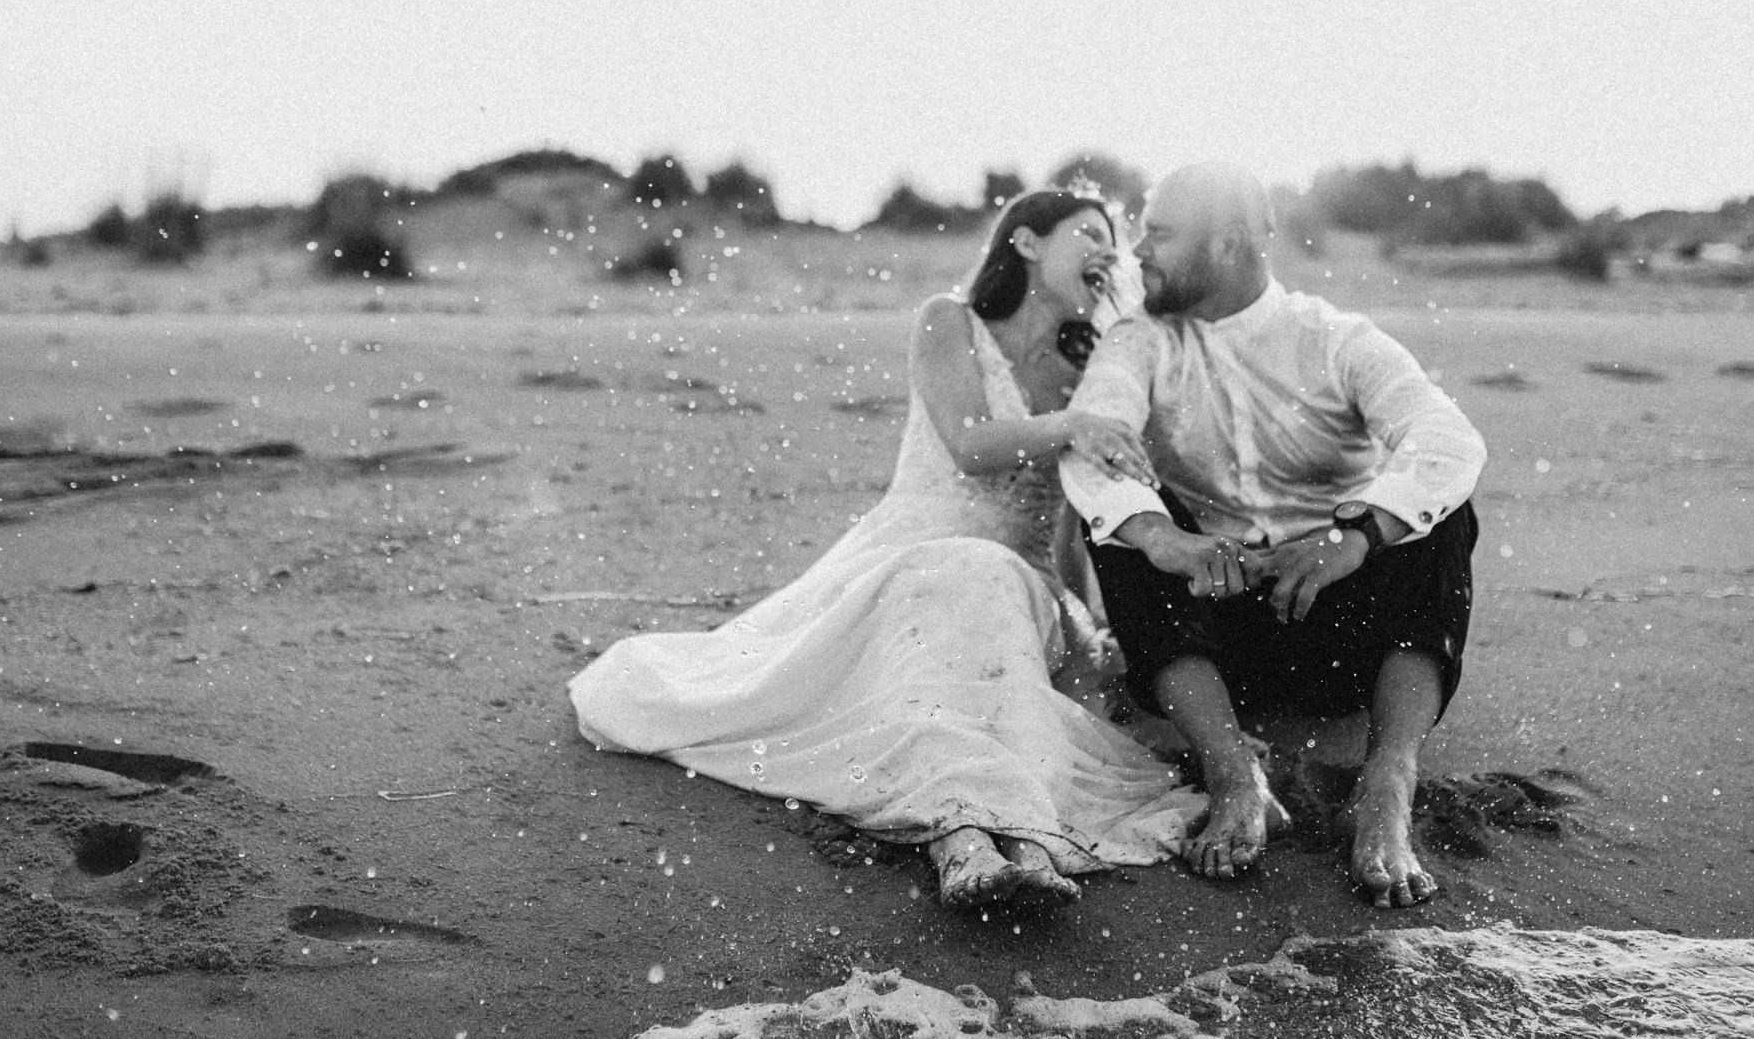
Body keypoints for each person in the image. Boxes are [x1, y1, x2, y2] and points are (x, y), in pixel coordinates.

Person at [570, 191, 1205, 909]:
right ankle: (965, 844)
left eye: (1112, 239)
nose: (1108, 250)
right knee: (930, 664)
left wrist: (1091, 615)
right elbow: (968, 443)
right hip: (909, 553)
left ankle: (1018, 842)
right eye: (1089, 232)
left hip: (1019, 579)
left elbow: (1065, 518)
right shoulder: (950, 322)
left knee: (992, 650)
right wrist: (1072, 424)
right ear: (1027, 243)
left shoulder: (1082, 375)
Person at [1059, 163, 1486, 908]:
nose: (1137, 252)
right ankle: (1235, 775)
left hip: (1346, 635)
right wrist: (1164, 539)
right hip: (1211, 640)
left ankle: (1387, 782)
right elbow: (1095, 445)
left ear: (1227, 245)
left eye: (1159, 234)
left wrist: (1356, 535)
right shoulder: (1139, 341)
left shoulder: (1335, 339)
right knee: (1126, 521)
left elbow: (1447, 437)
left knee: (1441, 511)